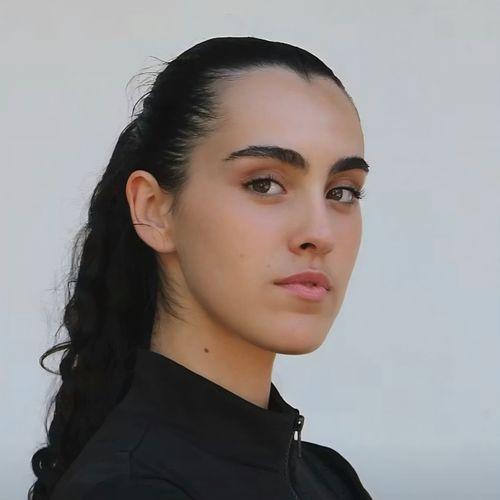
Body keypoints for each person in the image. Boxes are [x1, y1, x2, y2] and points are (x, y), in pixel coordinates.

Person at [29, 36, 372, 500]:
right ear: (154, 209)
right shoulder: (128, 489)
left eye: (342, 192)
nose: (320, 232)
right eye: (265, 184)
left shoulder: (331, 479)